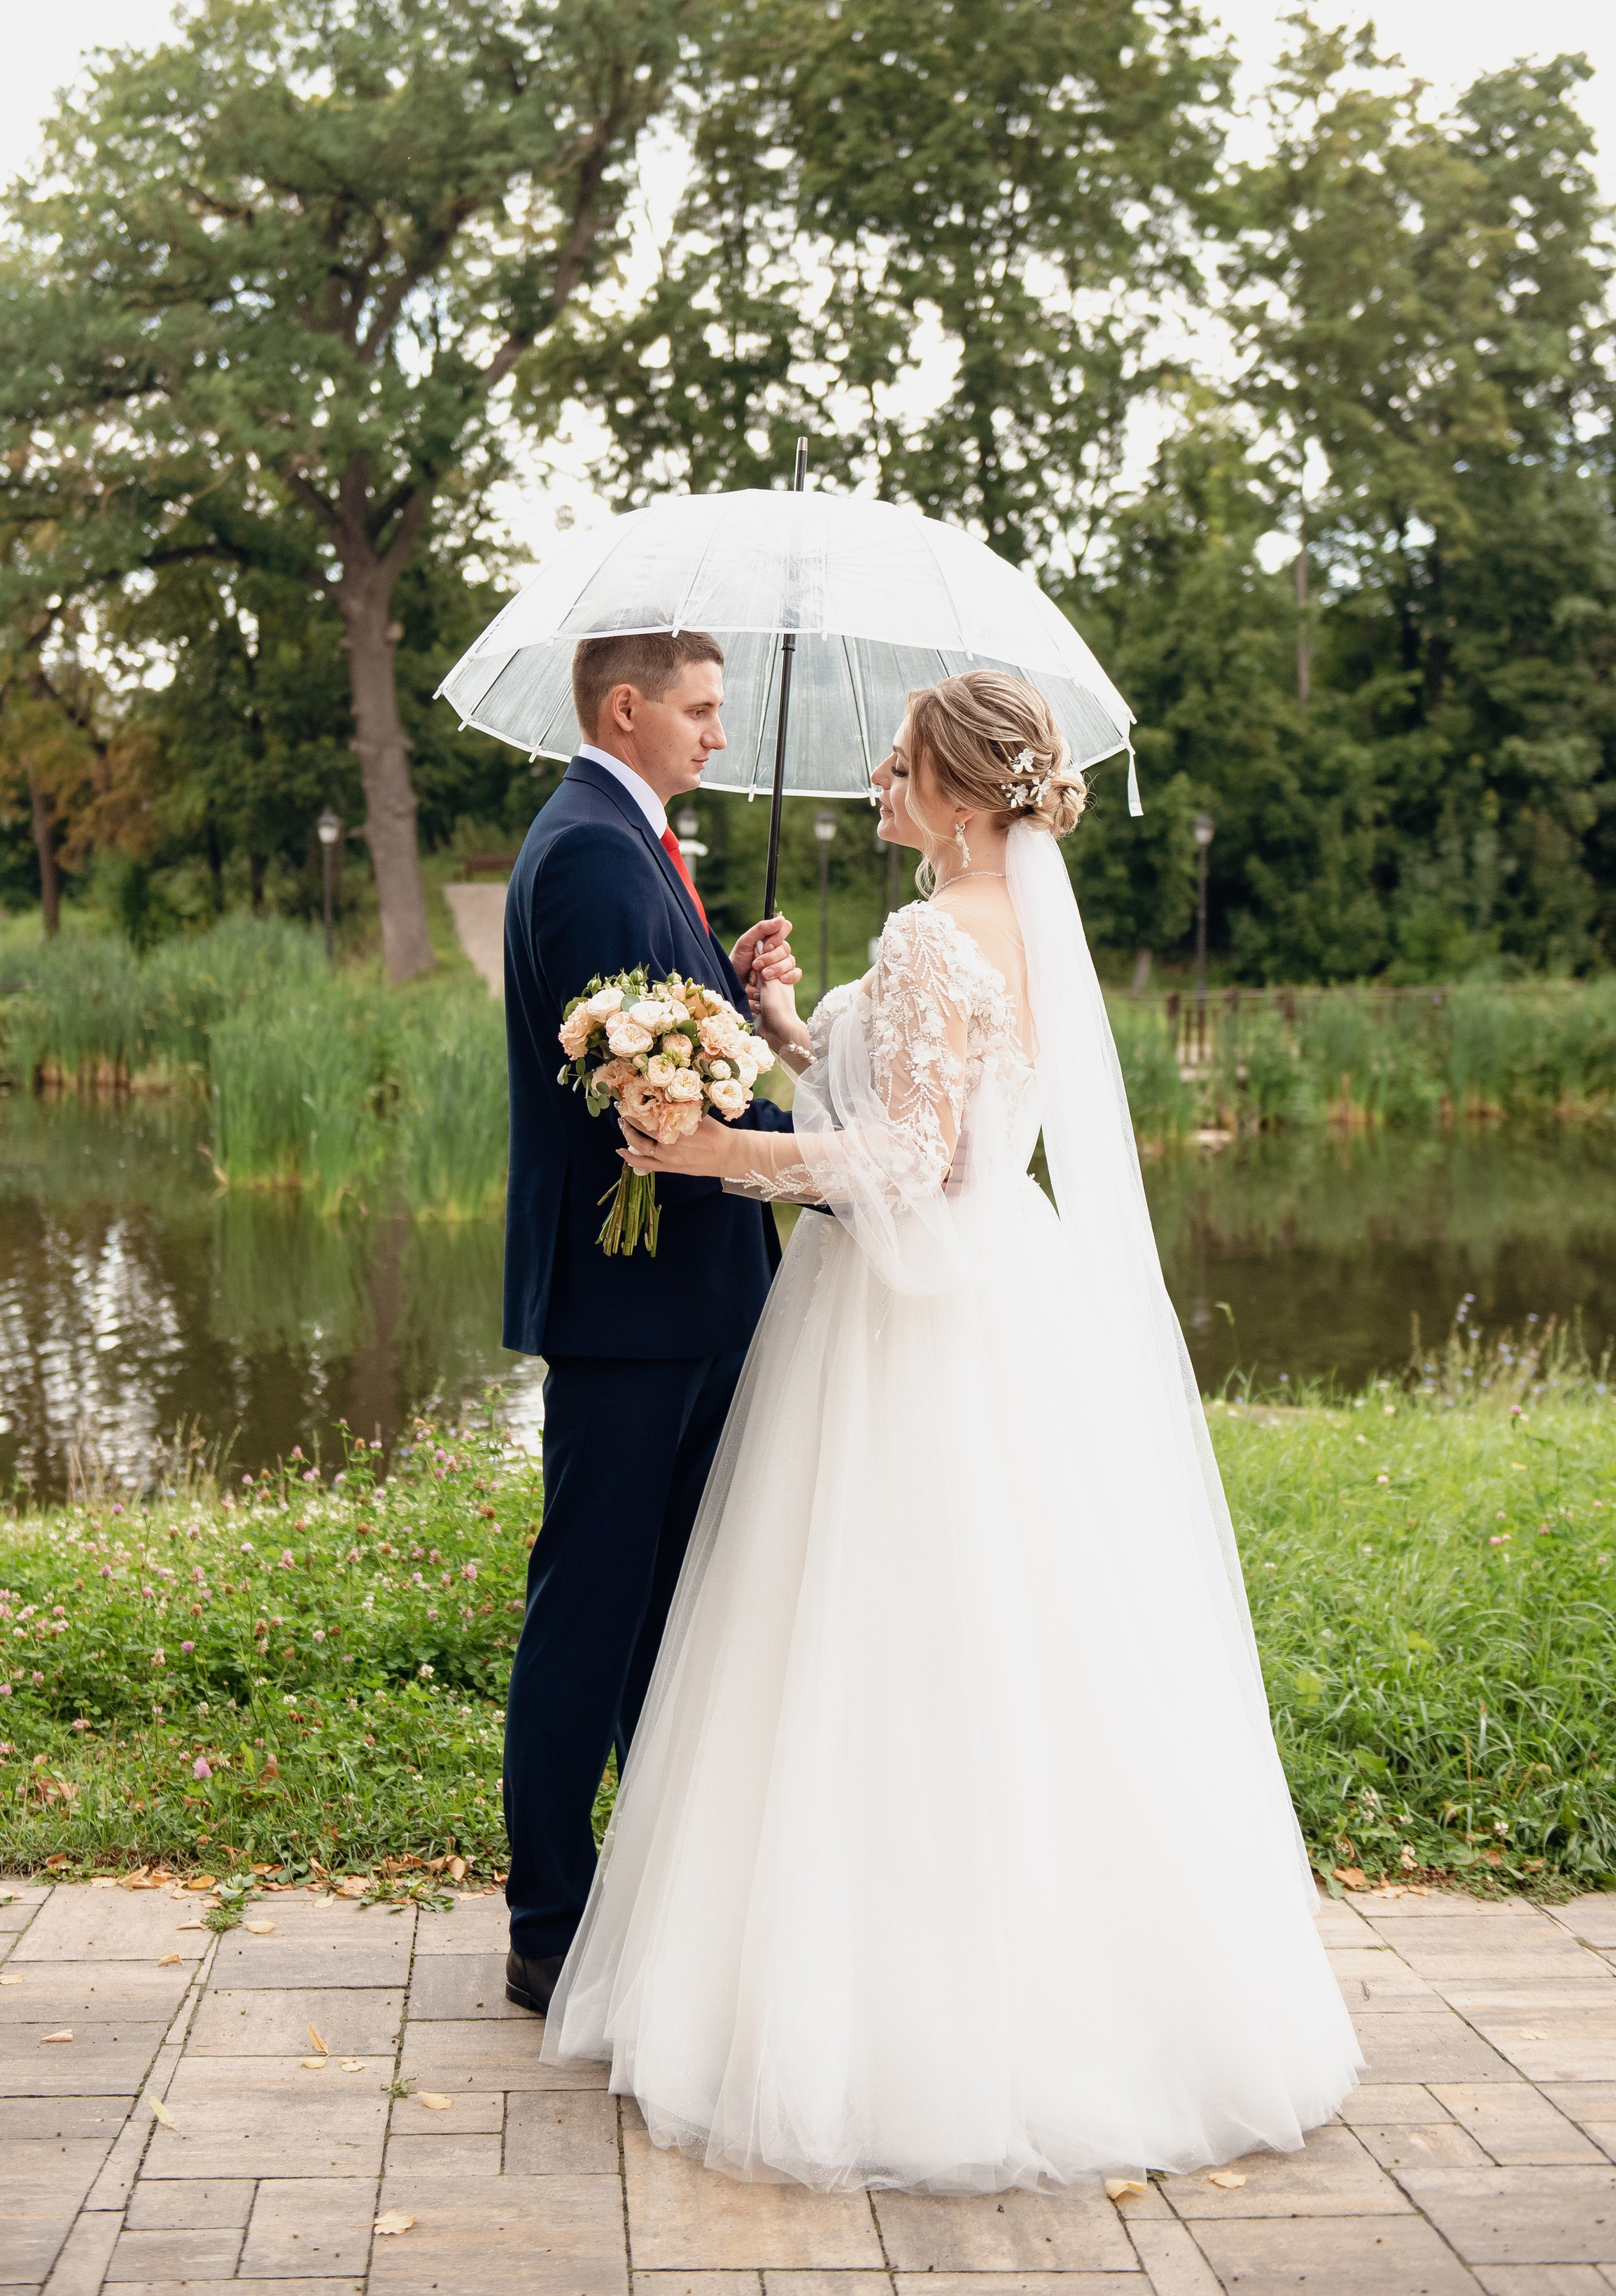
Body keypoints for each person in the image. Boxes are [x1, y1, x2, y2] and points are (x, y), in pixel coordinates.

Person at [542, 669, 1362, 2193]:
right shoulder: (1001, 934)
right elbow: (923, 1102)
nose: (877, 772)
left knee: (883, 1655)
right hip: (999, 1296)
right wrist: (782, 1019)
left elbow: (907, 1158)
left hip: (901, 1327)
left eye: (903, 758)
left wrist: (717, 1146)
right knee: (1018, 1650)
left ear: (966, 793)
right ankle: (1101, 1989)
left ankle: (883, 2024)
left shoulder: (931, 936)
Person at [500, 628, 801, 2016]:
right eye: (697, 709)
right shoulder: (590, 851)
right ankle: (550, 1923)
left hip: (681, 1294)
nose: (715, 734)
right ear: (624, 708)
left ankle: (648, 1898)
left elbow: (669, 1040)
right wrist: (831, 1148)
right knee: (591, 1614)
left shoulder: (637, 848)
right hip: (636, 1306)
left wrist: (730, 1000)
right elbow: (639, 1099)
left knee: (664, 1612)